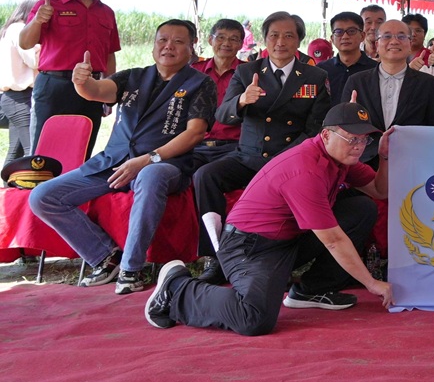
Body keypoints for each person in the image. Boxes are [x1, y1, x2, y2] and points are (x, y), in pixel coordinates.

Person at [145, 101, 393, 335]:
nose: (359, 146)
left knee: (361, 208)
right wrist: (372, 284)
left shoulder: (339, 157)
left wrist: (383, 156)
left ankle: (311, 291)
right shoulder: (305, 169)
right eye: (352, 139)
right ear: (326, 135)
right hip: (248, 246)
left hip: (285, 240)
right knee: (254, 318)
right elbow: (333, 241)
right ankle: (177, 288)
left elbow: (379, 191)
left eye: (364, 139)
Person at [29, 20, 215, 293]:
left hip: (165, 163)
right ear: (153, 45)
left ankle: (132, 268)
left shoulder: (200, 83)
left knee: (151, 176)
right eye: (162, 40)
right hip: (114, 161)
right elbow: (96, 91)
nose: (168, 47)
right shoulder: (133, 76)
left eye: (178, 42)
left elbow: (195, 133)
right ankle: (106, 257)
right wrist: (82, 82)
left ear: (191, 47)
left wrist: (148, 159)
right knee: (43, 197)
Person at [191, 11, 332, 284]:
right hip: (249, 157)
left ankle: (280, 262)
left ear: (299, 40)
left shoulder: (315, 76)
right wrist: (242, 101)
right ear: (265, 39)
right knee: (205, 176)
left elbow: (316, 128)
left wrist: (285, 160)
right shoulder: (247, 71)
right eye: (274, 35)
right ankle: (215, 255)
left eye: (288, 36)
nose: (280, 42)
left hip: (290, 161)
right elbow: (222, 115)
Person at [20, 0, 120, 155]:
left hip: (92, 87)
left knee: (81, 149)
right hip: (54, 87)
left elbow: (109, 54)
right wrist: (38, 20)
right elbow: (25, 43)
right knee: (44, 152)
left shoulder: (106, 12)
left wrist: (108, 92)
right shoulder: (48, 6)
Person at [342, 19, 434, 158]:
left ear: (410, 44)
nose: (394, 41)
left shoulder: (427, 83)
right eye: (387, 36)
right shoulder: (357, 82)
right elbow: (343, 127)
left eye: (401, 36)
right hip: (364, 162)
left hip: (411, 161)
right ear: (377, 45)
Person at [189, 19, 244, 169]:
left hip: (233, 147)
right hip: (195, 146)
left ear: (241, 44)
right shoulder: (194, 71)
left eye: (233, 39)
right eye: (221, 37)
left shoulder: (249, 73)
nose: (226, 43)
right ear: (210, 40)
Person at [0, 0, 42, 161]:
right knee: (32, 151)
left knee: (15, 152)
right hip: (20, 97)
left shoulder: (10, 29)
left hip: (15, 98)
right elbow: (34, 60)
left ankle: (8, 179)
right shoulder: (19, 29)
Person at [317, 11, 377, 105]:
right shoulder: (321, 70)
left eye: (351, 31)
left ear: (362, 36)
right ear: (332, 39)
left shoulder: (376, 69)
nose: (345, 36)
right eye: (339, 32)